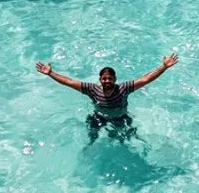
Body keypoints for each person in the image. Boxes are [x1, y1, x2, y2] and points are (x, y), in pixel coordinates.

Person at [36, 54, 179, 143]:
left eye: (110, 78)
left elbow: (145, 79)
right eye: (104, 78)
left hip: (120, 118)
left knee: (123, 141)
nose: (107, 80)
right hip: (99, 117)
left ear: (115, 79)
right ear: (100, 79)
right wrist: (50, 73)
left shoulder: (124, 88)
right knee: (92, 138)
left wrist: (164, 67)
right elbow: (69, 82)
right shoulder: (92, 89)